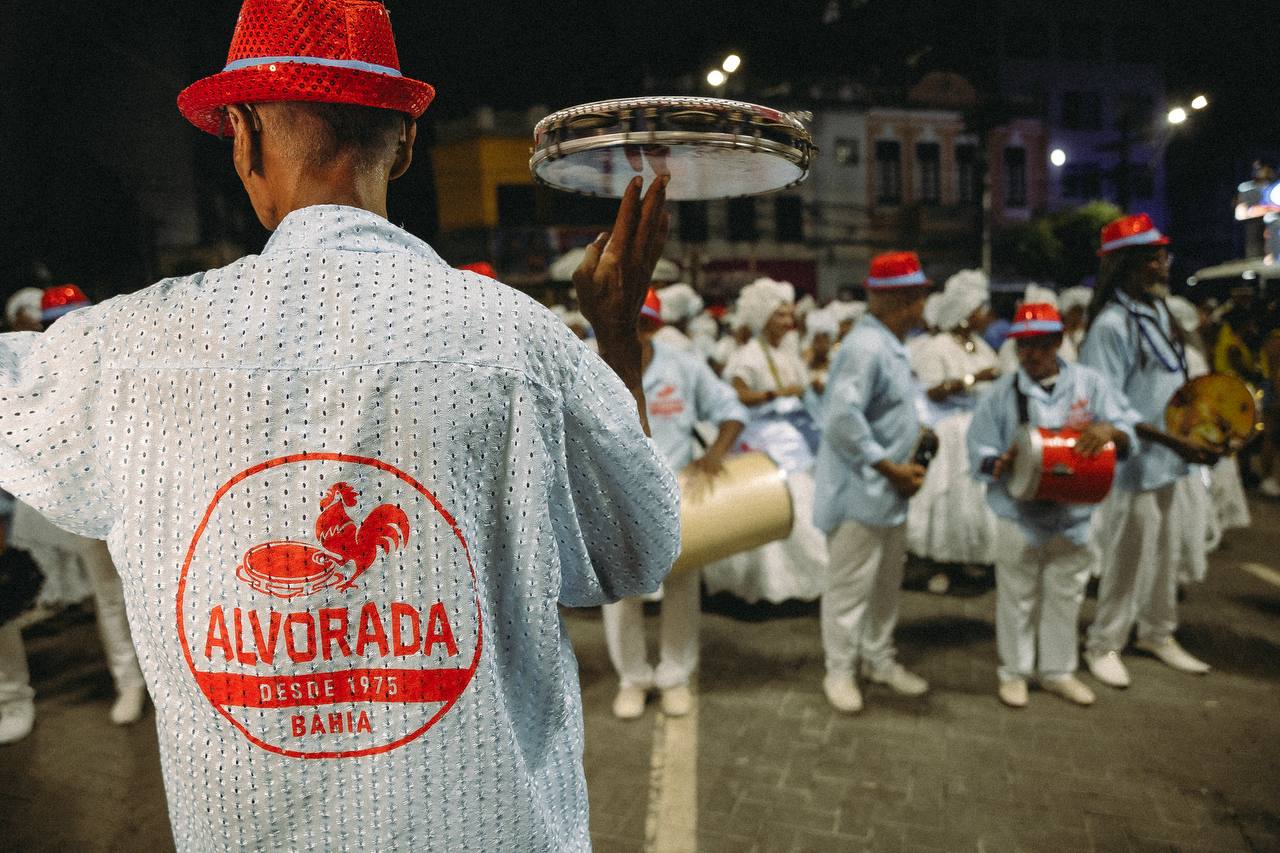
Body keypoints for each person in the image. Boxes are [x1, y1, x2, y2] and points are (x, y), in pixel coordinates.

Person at [0, 2, 679, 850]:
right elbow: (637, 546)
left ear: (242, 135)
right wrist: (616, 337)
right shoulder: (518, 342)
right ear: (402, 141)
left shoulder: (129, 349)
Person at [967, 302, 1137, 708]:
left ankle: (1059, 671)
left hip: (1075, 514)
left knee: (1067, 594)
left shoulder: (1089, 384)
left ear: (1058, 342)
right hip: (1019, 512)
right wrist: (999, 463)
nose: (1031, 354)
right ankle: (1014, 672)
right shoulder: (1001, 393)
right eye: (1024, 345)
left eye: (1040, 345)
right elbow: (978, 448)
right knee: (1017, 595)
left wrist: (1109, 430)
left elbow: (1128, 430)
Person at [0, 286, 149, 744]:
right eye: (55, 322)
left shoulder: (123, 356)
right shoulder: (45, 372)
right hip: (90, 501)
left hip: (142, 496)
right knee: (109, 598)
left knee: (159, 592)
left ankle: (170, 683)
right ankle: (130, 682)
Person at [1080, 214, 1220, 689]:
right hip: (1131, 465)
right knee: (1126, 556)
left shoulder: (1159, 314)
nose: (1164, 265)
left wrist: (1201, 432)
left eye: (1164, 256)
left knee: (1165, 553)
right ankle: (1104, 642)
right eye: (1155, 258)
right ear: (1129, 266)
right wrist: (1171, 439)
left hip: (1168, 460)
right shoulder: (1111, 326)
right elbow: (1106, 408)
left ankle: (1157, 632)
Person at [603, 290, 746, 720]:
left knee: (682, 586)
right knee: (622, 593)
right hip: (617, 496)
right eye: (625, 323)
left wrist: (716, 452)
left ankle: (674, 675)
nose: (633, 333)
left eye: (641, 324)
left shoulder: (682, 367)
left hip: (678, 496)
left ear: (653, 326)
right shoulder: (595, 368)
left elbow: (731, 409)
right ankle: (633, 677)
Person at [814, 251, 933, 713]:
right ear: (891, 299)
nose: (920, 306)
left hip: (889, 492)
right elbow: (842, 420)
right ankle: (840, 670)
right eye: (914, 296)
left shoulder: (889, 344)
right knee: (848, 589)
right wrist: (890, 467)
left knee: (885, 584)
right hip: (862, 492)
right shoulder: (865, 347)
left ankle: (878, 659)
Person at [701, 277, 829, 604]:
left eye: (790, 315)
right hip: (760, 441)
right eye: (780, 315)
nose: (788, 321)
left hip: (794, 439)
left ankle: (801, 581)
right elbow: (739, 395)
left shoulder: (786, 354)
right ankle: (763, 585)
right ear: (763, 318)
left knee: (802, 501)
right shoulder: (746, 357)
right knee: (772, 503)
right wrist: (775, 394)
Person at [908, 271, 1001, 570]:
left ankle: (975, 556)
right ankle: (945, 561)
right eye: (981, 311)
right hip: (951, 429)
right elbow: (933, 391)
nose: (987, 317)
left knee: (981, 494)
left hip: (980, 427)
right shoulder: (938, 347)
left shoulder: (980, 345)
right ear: (966, 313)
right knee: (954, 495)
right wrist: (974, 379)